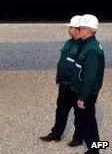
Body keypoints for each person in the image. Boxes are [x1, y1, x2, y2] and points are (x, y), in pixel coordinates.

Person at [39, 15, 83, 146]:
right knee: (61, 110)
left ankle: (78, 138)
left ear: (77, 29)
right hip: (64, 85)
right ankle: (56, 134)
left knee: (79, 113)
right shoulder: (69, 43)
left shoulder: (84, 46)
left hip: (76, 86)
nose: (68, 29)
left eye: (70, 27)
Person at [71, 14, 105, 154]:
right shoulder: (89, 45)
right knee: (88, 120)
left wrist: (82, 97)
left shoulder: (91, 49)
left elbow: (90, 76)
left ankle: (95, 149)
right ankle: (95, 147)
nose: (79, 31)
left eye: (81, 28)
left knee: (89, 121)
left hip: (87, 93)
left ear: (87, 30)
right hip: (84, 90)